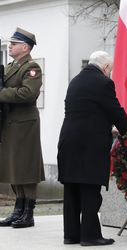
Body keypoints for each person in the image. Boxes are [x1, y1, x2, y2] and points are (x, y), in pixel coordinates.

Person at [57, 51, 127, 246]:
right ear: (105, 68)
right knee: (90, 188)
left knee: (71, 188)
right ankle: (90, 236)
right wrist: (124, 128)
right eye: (110, 70)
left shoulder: (75, 81)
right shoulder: (103, 83)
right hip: (88, 144)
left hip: (68, 140)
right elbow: (114, 110)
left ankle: (71, 235)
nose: (110, 74)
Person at [0, 27, 45, 228]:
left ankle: (28, 212)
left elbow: (28, 93)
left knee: (26, 168)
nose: (10, 46)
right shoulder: (11, 67)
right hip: (10, 123)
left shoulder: (31, 67)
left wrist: (1, 93)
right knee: (14, 167)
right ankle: (18, 209)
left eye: (14, 43)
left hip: (25, 125)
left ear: (25, 47)